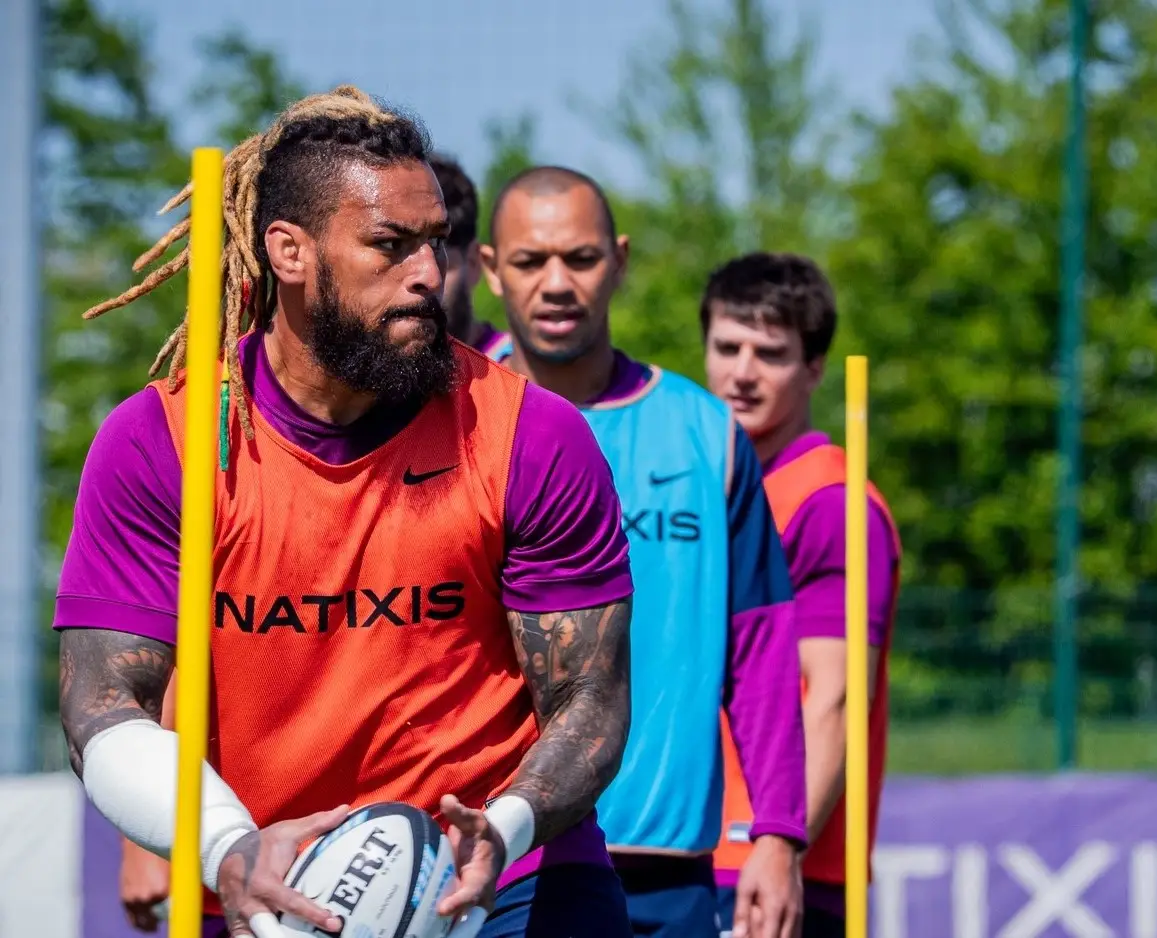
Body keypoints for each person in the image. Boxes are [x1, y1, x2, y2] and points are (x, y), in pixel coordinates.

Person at [57, 87, 636, 938]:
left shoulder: (531, 433)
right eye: (390, 247)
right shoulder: (162, 442)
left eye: (434, 244)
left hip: (505, 882)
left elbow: (591, 700)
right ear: (289, 252)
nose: (430, 277)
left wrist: (502, 831)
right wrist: (225, 845)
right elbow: (100, 708)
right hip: (261, 878)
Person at [482, 166, 805, 938]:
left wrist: (779, 833)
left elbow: (759, 647)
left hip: (669, 870)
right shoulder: (449, 420)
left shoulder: (704, 431)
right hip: (500, 861)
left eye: (582, 259)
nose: (557, 283)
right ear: (492, 270)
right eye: (531, 261)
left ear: (620, 260)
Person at [699, 253, 901, 938]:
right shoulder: (705, 485)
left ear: (814, 367)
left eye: (771, 353)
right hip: (684, 849)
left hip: (773, 866)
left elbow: (835, 699)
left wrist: (776, 846)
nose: (743, 372)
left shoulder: (830, 504)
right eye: (728, 347)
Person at [427, 153, 504, 354]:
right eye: (392, 247)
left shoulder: (523, 374)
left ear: (473, 263)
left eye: (436, 258)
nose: (421, 280)